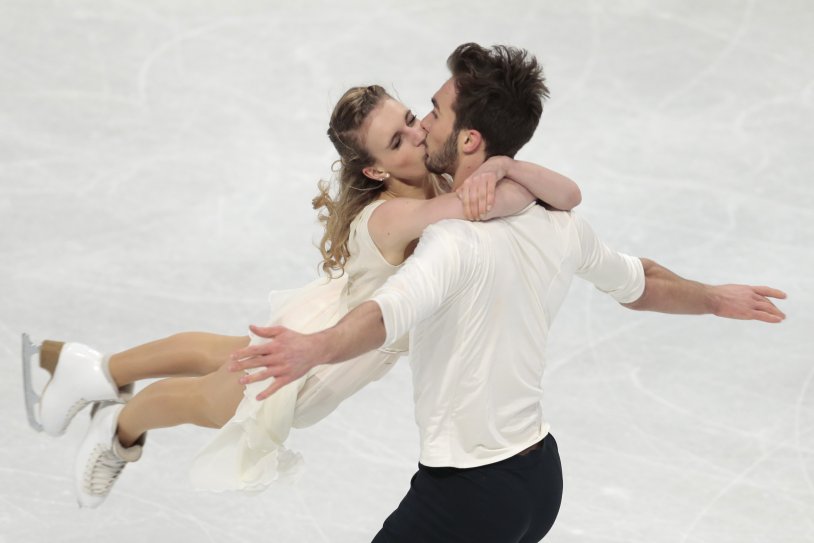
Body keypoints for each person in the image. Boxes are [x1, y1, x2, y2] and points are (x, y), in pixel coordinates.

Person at [229, 43, 787, 542]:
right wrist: (712, 298)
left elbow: (383, 316)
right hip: (540, 481)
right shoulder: (559, 223)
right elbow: (641, 282)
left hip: (466, 494)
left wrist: (315, 347)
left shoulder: (450, 243)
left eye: (434, 113)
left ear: (468, 139)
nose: (424, 125)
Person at [22, 84, 583, 507]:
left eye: (412, 120)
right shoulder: (396, 215)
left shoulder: (430, 177)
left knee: (223, 353)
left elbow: (564, 195)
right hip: (324, 357)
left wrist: (503, 165)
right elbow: (502, 202)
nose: (417, 135)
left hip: (330, 311)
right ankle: (119, 428)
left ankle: (95, 368)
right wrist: (503, 174)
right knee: (211, 404)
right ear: (375, 169)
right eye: (396, 141)